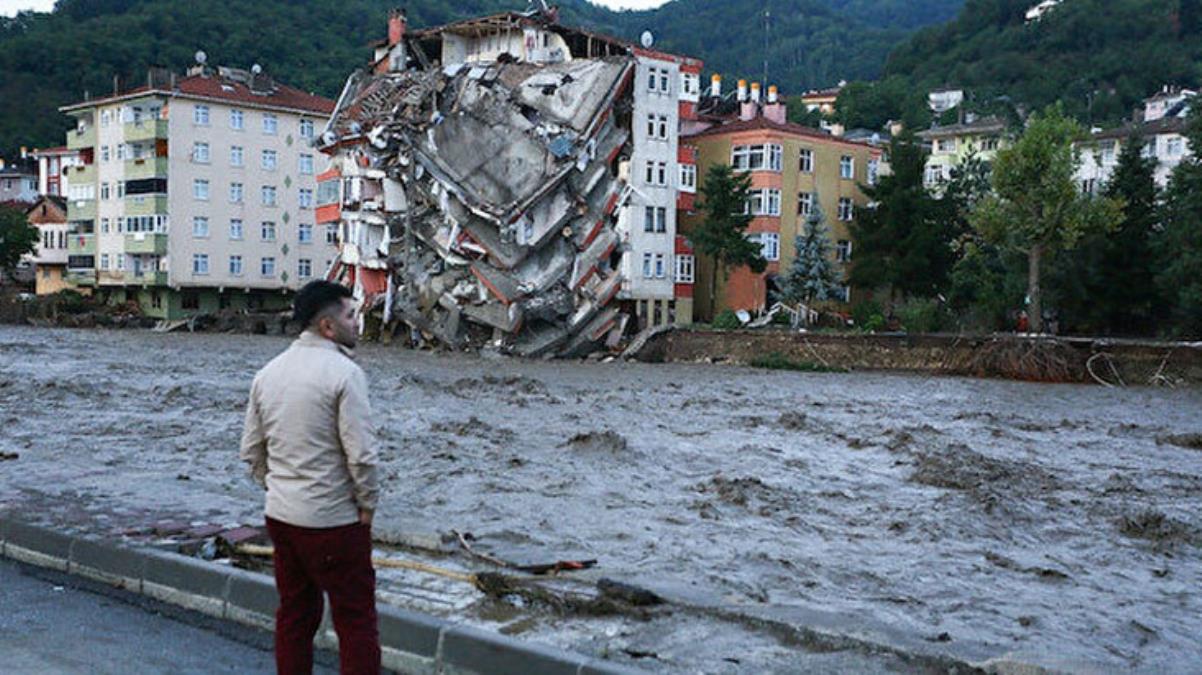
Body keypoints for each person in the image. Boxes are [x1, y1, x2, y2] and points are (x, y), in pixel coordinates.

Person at [240, 280, 380, 675]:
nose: (357, 323)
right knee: (355, 620)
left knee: (295, 614)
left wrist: (278, 486)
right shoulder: (345, 374)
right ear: (327, 326)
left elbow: (251, 450)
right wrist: (367, 504)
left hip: (282, 516)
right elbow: (362, 455)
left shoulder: (268, 374)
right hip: (333, 520)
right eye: (351, 315)